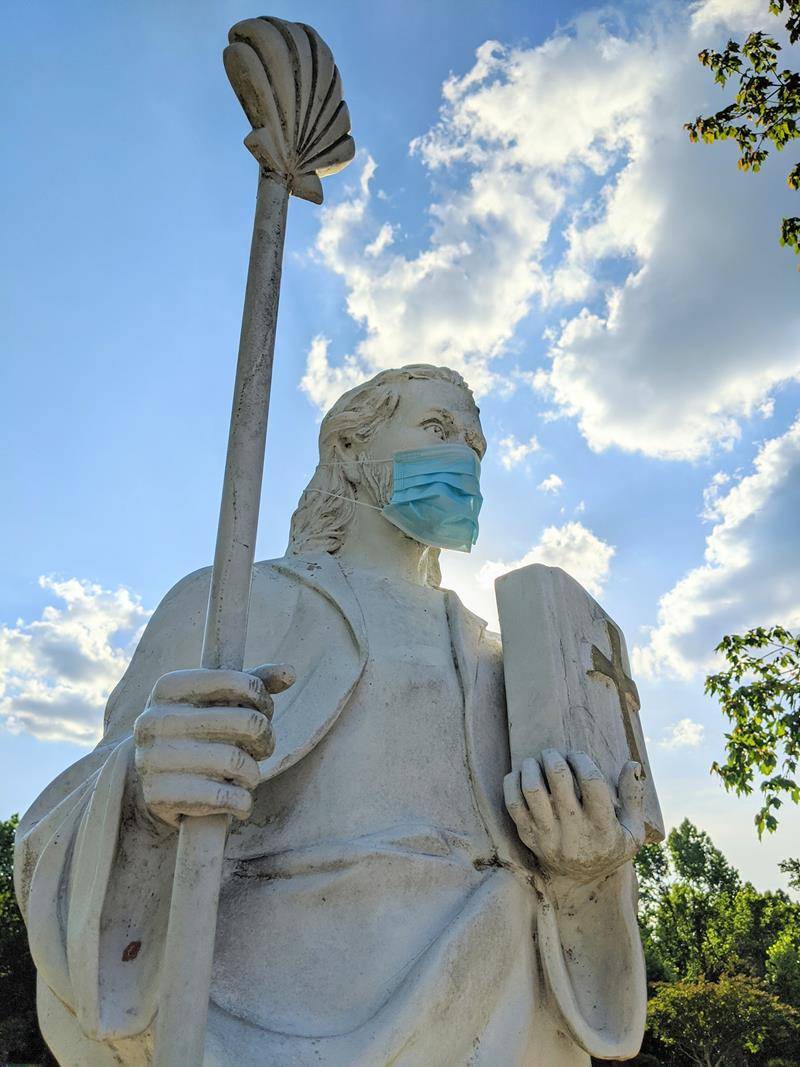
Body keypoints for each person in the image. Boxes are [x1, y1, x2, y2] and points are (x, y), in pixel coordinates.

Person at [15, 365, 648, 1066]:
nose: (464, 457)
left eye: (476, 443)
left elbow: (571, 890)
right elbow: (68, 831)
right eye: (437, 429)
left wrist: (585, 873)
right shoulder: (231, 604)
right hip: (267, 1014)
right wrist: (143, 793)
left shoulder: (504, 657)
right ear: (348, 451)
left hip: (498, 1010)